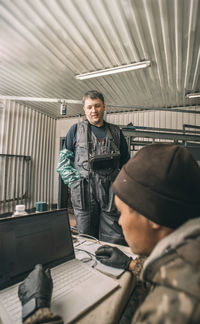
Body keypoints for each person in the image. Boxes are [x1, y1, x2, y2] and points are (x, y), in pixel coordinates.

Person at [18, 143, 200, 324]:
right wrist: (132, 265)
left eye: (121, 213)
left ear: (152, 217)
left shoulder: (171, 310)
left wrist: (36, 311)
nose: (119, 222)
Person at [64, 90, 130, 245]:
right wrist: (75, 185)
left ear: (104, 106)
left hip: (110, 193)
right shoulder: (75, 130)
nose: (94, 110)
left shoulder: (116, 132)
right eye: (89, 107)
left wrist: (121, 187)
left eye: (97, 106)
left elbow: (126, 164)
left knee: (114, 238)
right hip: (84, 194)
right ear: (84, 109)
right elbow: (64, 163)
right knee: (86, 239)